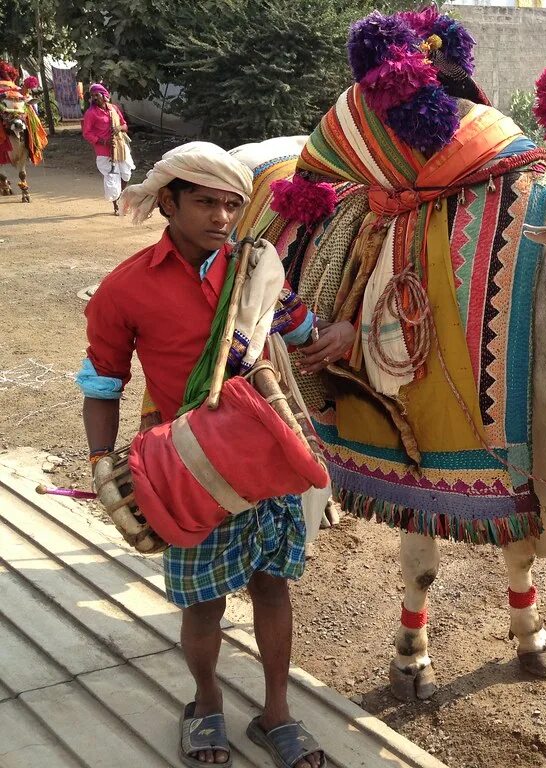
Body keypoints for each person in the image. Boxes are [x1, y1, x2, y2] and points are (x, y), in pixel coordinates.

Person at [77, 142, 355, 767]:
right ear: (168, 201)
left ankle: (277, 712)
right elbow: (101, 383)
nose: (222, 217)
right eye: (205, 202)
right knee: (202, 600)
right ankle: (205, 703)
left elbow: (303, 331)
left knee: (273, 585)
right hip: (188, 468)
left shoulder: (258, 271)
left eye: (232, 205)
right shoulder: (125, 289)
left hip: (265, 457)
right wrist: (101, 462)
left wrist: (340, 336)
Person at [81, 83, 135, 214]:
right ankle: (116, 205)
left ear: (104, 96)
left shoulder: (114, 109)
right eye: (92, 96)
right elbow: (86, 133)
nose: (94, 98)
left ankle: (121, 197)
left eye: (97, 95)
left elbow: (125, 125)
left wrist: (119, 128)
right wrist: (102, 141)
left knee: (126, 173)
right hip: (104, 151)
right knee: (112, 177)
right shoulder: (91, 113)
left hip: (120, 146)